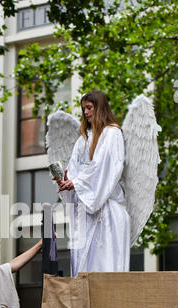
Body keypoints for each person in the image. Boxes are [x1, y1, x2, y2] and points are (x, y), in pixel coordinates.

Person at [56, 90, 130, 275]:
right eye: (84, 109)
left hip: (106, 213)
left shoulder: (112, 134)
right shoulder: (82, 140)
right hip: (86, 215)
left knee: (105, 268)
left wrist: (78, 183)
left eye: (89, 107)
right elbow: (74, 171)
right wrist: (65, 182)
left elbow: (105, 167)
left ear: (100, 107)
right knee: (85, 270)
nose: (86, 113)